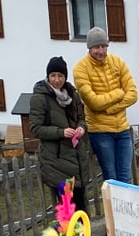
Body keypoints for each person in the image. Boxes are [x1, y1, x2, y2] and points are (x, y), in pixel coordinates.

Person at [73, 27, 138, 185]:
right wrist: (118, 93)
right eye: (96, 47)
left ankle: (125, 210)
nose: (101, 51)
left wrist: (111, 108)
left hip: (122, 128)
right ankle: (112, 210)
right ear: (89, 48)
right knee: (111, 178)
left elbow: (133, 94)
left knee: (126, 176)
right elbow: (93, 102)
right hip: (100, 132)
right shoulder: (80, 69)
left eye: (104, 46)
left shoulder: (118, 62)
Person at [29, 56, 94, 213]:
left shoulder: (72, 95)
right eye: (53, 76)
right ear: (48, 76)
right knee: (67, 209)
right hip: (57, 161)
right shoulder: (40, 98)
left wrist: (81, 128)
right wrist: (61, 132)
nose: (57, 80)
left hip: (76, 157)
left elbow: (81, 118)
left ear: (65, 77)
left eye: (60, 76)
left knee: (80, 205)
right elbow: (36, 128)